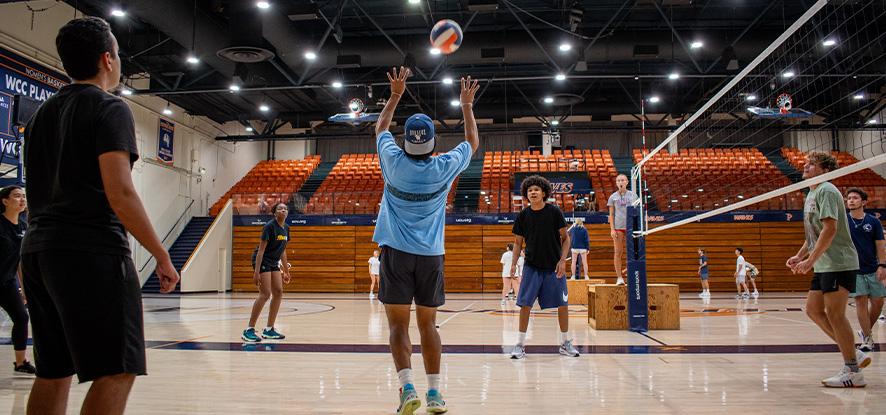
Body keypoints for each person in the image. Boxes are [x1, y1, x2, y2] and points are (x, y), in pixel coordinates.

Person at [21, 17, 180, 415]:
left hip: (38, 251)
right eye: (120, 54)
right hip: (89, 251)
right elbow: (120, 191)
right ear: (108, 59)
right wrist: (161, 254)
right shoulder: (109, 107)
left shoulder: (40, 116)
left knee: (53, 371)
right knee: (116, 369)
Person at [372, 67, 478, 415]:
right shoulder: (444, 167)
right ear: (432, 142)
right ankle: (434, 394)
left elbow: (380, 128)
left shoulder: (391, 161)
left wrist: (396, 94)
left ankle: (407, 388)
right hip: (431, 256)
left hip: (396, 255)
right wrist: (466, 105)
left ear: (406, 142)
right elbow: (472, 144)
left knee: (397, 326)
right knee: (428, 325)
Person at [786, 151, 868, 388]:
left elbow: (830, 229)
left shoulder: (827, 190)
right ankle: (853, 352)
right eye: (806, 163)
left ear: (824, 169)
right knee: (813, 310)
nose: (806, 166)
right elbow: (815, 232)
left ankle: (853, 370)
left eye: (812, 164)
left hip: (838, 262)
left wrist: (809, 261)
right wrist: (800, 255)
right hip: (824, 263)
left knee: (835, 314)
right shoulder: (812, 193)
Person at [508, 175, 580, 360]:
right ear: (526, 194)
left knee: (562, 305)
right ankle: (519, 344)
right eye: (530, 190)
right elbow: (517, 243)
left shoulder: (554, 212)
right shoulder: (523, 216)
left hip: (554, 267)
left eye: (536, 190)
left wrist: (563, 260)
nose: (533, 192)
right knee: (525, 305)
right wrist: (514, 264)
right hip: (532, 267)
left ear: (544, 193)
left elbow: (566, 239)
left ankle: (565, 343)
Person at [242, 202, 292, 342]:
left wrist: (286, 271)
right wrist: (256, 272)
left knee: (278, 292)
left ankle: (269, 329)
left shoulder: (286, 228)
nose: (283, 210)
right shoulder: (269, 227)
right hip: (262, 259)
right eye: (280, 208)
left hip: (273, 261)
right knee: (265, 294)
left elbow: (282, 250)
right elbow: (261, 251)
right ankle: (249, 330)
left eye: (285, 209)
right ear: (275, 213)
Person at [844, 188, 886, 352]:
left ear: (863, 202)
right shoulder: (844, 221)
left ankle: (864, 331)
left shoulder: (873, 221)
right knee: (860, 301)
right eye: (849, 198)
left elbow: (880, 246)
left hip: (872, 268)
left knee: (878, 303)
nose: (851, 201)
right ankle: (868, 339)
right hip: (853, 268)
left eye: (855, 198)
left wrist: (882, 265)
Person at [0, 185, 35, 374]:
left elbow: (20, 261)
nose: (22, 199)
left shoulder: (23, 227)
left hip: (6, 282)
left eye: (23, 196)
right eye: (17, 196)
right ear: (5, 201)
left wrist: (25, 288)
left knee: (21, 317)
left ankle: (21, 363)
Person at [608, 174, 638, 285]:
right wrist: (612, 229)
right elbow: (611, 214)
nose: (621, 182)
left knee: (634, 253)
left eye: (623, 180)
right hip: (618, 228)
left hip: (631, 227)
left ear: (627, 182)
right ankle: (619, 277)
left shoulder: (633, 196)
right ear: (616, 183)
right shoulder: (613, 197)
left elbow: (637, 211)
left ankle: (628, 271)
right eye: (619, 180)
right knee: (618, 252)